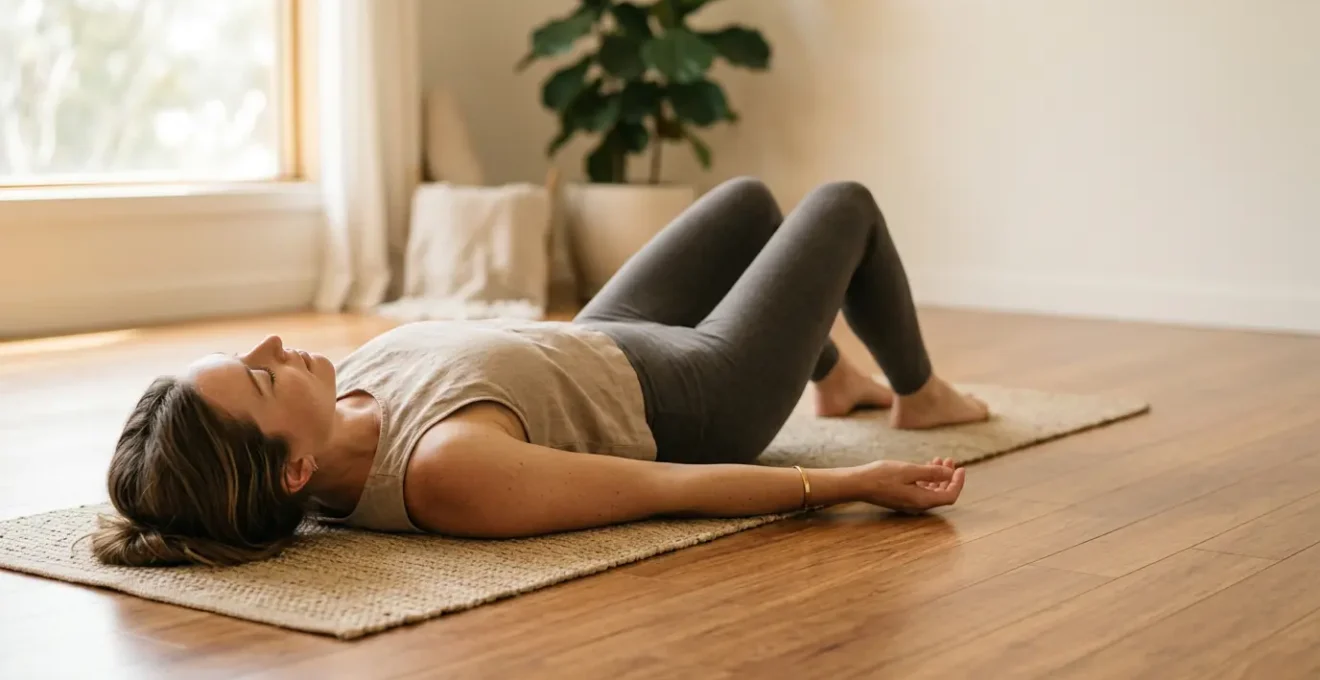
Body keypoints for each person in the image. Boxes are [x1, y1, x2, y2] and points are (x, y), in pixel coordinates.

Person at [92, 178, 989, 567]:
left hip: (602, 341)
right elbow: (657, 487)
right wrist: (842, 483)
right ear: (293, 471)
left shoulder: (336, 394)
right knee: (842, 206)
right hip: (701, 391)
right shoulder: (445, 472)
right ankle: (920, 395)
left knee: (750, 204)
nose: (269, 351)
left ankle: (836, 379)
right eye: (257, 380)